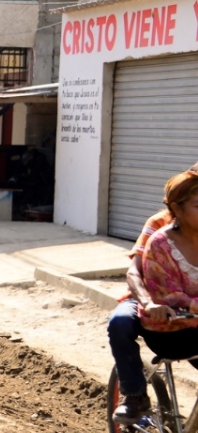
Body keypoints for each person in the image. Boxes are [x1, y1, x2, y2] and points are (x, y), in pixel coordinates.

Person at [111, 169, 198, 423]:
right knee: (120, 323)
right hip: (150, 297)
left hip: (189, 309)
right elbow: (134, 271)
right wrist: (148, 302)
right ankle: (134, 396)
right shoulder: (160, 227)